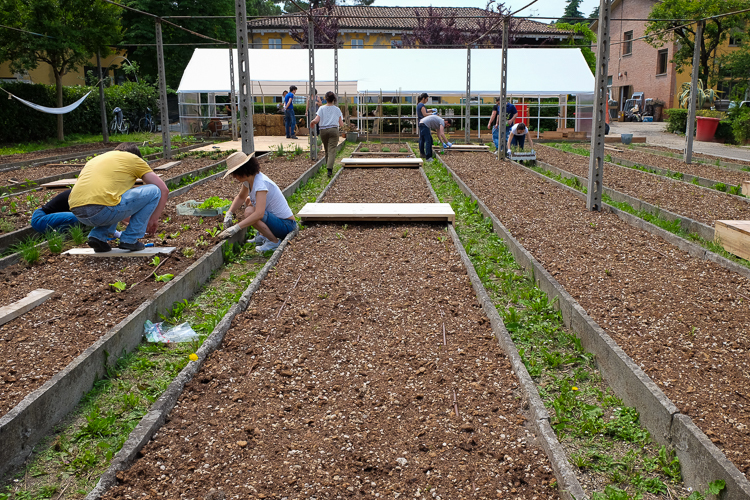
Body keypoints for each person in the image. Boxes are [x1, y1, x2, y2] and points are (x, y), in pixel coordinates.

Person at [69, 143, 168, 253]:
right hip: (102, 210)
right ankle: (130, 239)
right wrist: (153, 219)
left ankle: (98, 236)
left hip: (78, 212)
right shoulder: (134, 159)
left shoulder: (97, 159)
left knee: (113, 197)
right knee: (154, 190)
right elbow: (163, 189)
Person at [219, 152, 297, 253]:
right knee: (249, 201)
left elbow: (259, 214)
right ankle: (263, 235)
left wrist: (236, 228)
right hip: (277, 222)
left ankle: (274, 242)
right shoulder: (249, 180)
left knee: (249, 212)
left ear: (243, 170)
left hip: (287, 225)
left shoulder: (260, 183)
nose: (234, 177)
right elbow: (241, 197)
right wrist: (229, 213)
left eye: (235, 173)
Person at [310, 91, 344, 177]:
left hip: (323, 130)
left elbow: (317, 120)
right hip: (333, 130)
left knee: (326, 149)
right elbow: (341, 124)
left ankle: (328, 166)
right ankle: (329, 169)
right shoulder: (337, 109)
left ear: (325, 99)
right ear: (334, 99)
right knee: (332, 149)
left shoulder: (321, 108)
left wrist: (312, 122)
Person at [416, 93, 432, 158]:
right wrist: (432, 114)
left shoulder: (419, 105)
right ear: (423, 98)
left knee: (422, 139)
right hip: (424, 124)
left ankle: (422, 153)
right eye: (427, 99)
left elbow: (424, 111)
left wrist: (431, 110)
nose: (427, 101)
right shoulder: (422, 105)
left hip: (420, 123)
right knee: (428, 140)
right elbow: (424, 114)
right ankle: (428, 156)